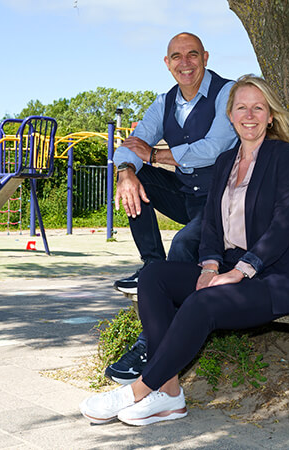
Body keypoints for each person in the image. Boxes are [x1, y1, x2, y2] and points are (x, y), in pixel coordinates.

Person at [81, 75, 289, 426]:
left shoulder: (286, 156)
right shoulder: (225, 161)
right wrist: (210, 267)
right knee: (153, 277)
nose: (250, 115)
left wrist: (239, 271)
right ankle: (170, 395)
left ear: (270, 116)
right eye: (242, 107)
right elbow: (211, 223)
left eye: (259, 107)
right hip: (231, 268)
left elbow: (285, 223)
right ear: (231, 115)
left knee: (202, 301)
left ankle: (138, 391)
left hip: (279, 277)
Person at [105, 32, 237, 384]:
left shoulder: (228, 93)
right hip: (185, 195)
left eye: (192, 54)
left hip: (221, 200)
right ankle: (151, 265)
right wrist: (126, 170)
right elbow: (133, 143)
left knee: (182, 243)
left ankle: (153, 345)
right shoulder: (163, 102)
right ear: (167, 63)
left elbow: (217, 147)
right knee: (133, 177)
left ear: (205, 57)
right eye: (176, 56)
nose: (185, 63)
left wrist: (158, 155)